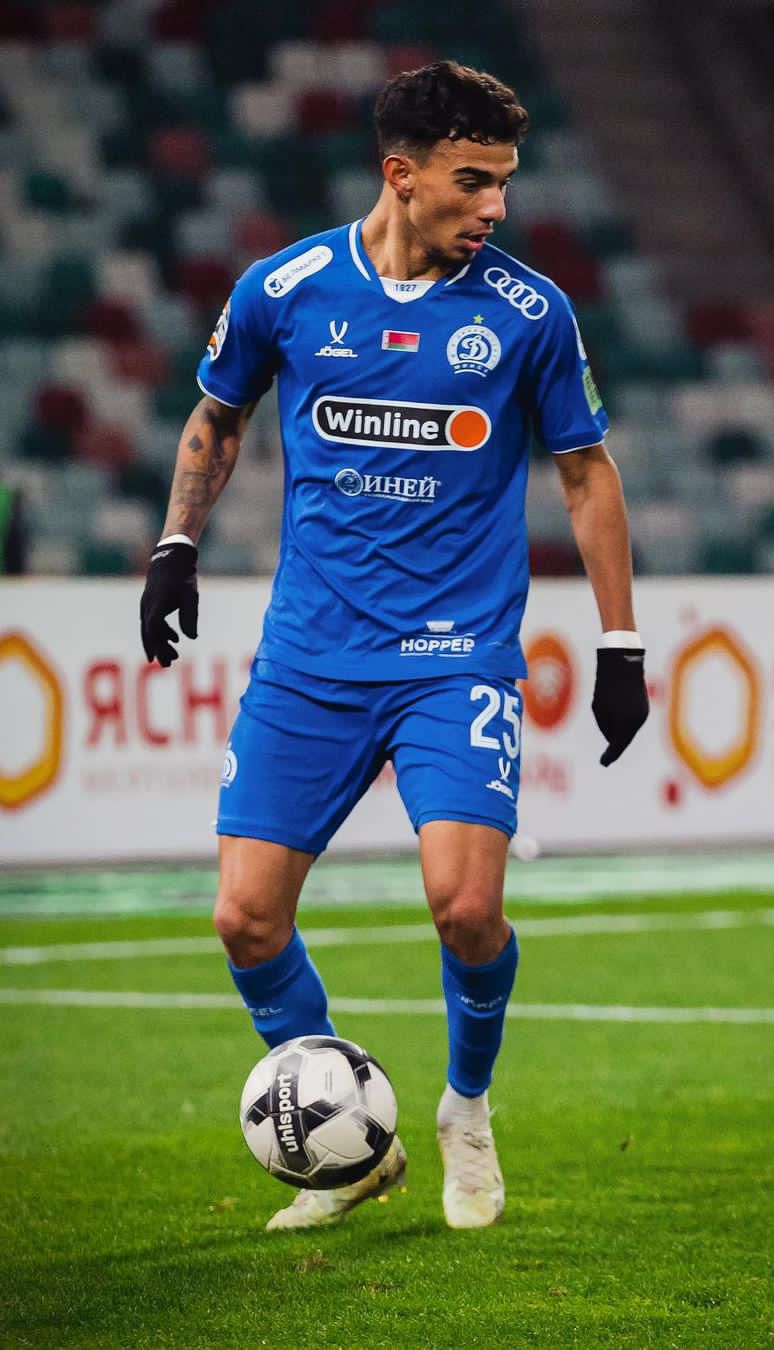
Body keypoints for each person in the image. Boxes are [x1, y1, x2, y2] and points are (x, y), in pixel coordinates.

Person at [139, 61, 648, 1233]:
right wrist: (175, 542)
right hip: (310, 658)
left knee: (465, 907)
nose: (497, 206)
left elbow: (586, 474)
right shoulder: (286, 288)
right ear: (400, 173)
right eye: (474, 182)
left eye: (506, 182)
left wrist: (620, 643)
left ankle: (466, 1108)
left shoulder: (528, 314)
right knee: (244, 920)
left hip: (455, 658)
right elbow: (218, 413)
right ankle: (350, 1146)